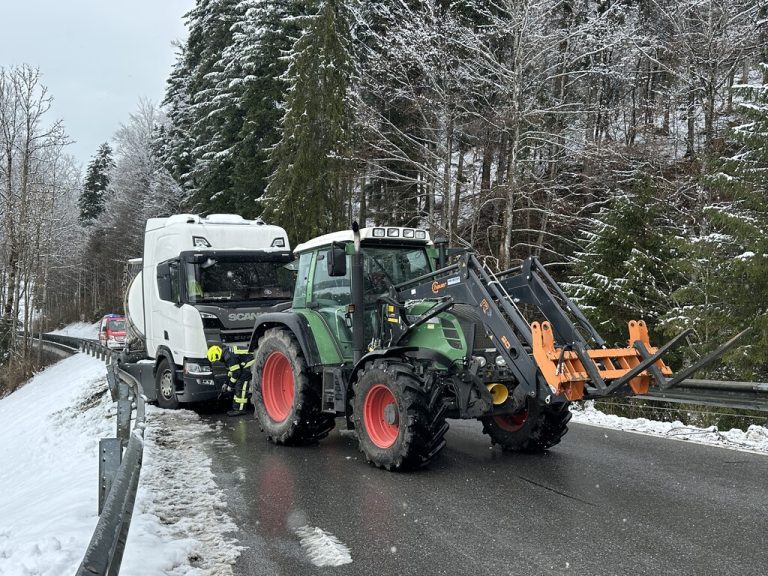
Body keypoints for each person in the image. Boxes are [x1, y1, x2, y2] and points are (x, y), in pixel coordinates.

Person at [207, 344, 254, 417]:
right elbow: (230, 372)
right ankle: (236, 408)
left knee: (241, 385)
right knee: (238, 383)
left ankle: (240, 410)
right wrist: (226, 383)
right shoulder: (226, 354)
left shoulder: (229, 357)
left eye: (216, 360)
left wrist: (230, 386)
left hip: (251, 361)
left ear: (217, 356)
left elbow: (236, 373)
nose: (217, 362)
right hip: (245, 362)